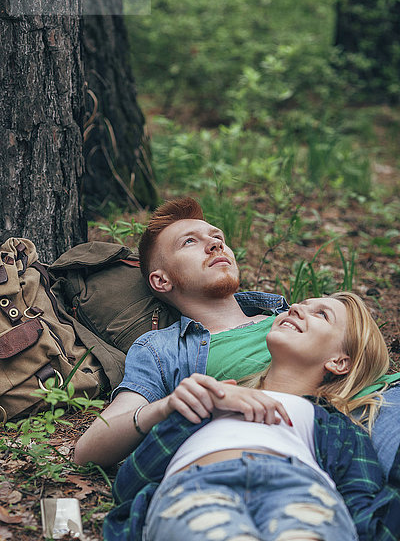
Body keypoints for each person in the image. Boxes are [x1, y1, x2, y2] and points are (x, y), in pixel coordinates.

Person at [74, 197, 400, 475]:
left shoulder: (288, 316)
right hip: (304, 435)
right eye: (190, 241)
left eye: (217, 237)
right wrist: (166, 407)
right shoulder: (162, 349)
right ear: (161, 281)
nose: (215, 243)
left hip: (381, 399)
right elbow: (87, 451)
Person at [103, 292, 400, 541]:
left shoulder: (337, 426)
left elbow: (364, 516)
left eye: (321, 314)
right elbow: (131, 483)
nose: (297, 307)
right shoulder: (214, 396)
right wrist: (185, 410)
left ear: (339, 362)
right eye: (303, 304)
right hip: (200, 485)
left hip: (299, 487)